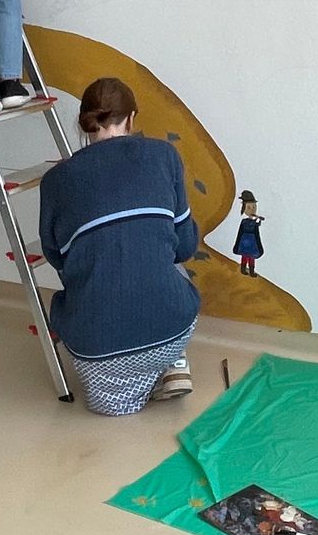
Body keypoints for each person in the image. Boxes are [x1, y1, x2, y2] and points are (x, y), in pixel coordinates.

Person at [39, 78, 199, 416]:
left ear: (84, 122)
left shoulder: (56, 180)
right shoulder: (164, 155)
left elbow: (56, 257)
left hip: (97, 350)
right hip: (170, 330)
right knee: (166, 258)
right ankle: (172, 363)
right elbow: (185, 247)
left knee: (114, 409)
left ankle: (132, 387)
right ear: (132, 117)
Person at [232, 190, 265, 276]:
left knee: (251, 257)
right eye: (249, 208)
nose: (252, 210)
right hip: (244, 241)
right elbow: (240, 233)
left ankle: (251, 271)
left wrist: (257, 222)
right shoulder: (244, 221)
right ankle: (243, 269)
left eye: (254, 207)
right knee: (245, 256)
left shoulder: (254, 222)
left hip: (252, 242)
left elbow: (256, 232)